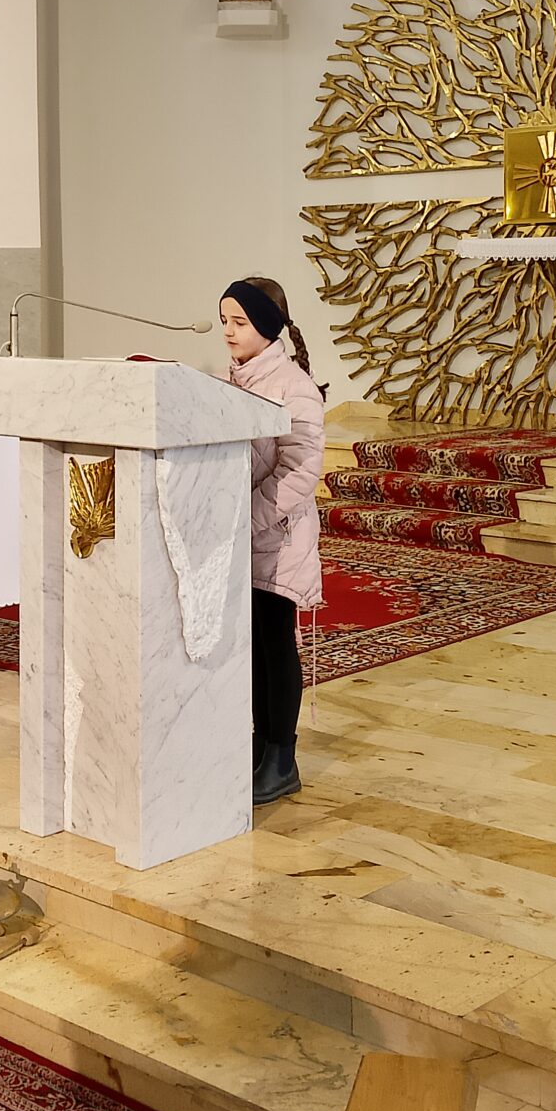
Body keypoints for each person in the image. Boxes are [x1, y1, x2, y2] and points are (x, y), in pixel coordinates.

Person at [219, 277, 325, 807]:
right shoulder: (229, 380)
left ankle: (282, 758)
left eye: (240, 322)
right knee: (251, 647)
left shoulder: (293, 386)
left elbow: (301, 469)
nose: (228, 331)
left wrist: (248, 516)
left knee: (275, 645)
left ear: (266, 325)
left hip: (277, 538)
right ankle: (258, 746)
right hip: (240, 533)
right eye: (224, 321)